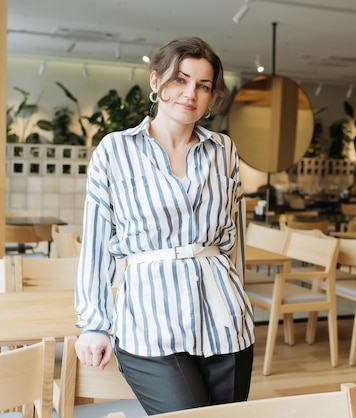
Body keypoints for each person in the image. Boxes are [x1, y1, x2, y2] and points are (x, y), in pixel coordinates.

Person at [74, 37, 255, 415]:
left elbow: (234, 241)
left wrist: (242, 306)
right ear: (156, 82)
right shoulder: (115, 150)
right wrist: (93, 324)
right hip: (149, 324)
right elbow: (96, 242)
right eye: (180, 80)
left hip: (224, 321)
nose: (190, 93)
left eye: (203, 86)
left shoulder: (224, 151)